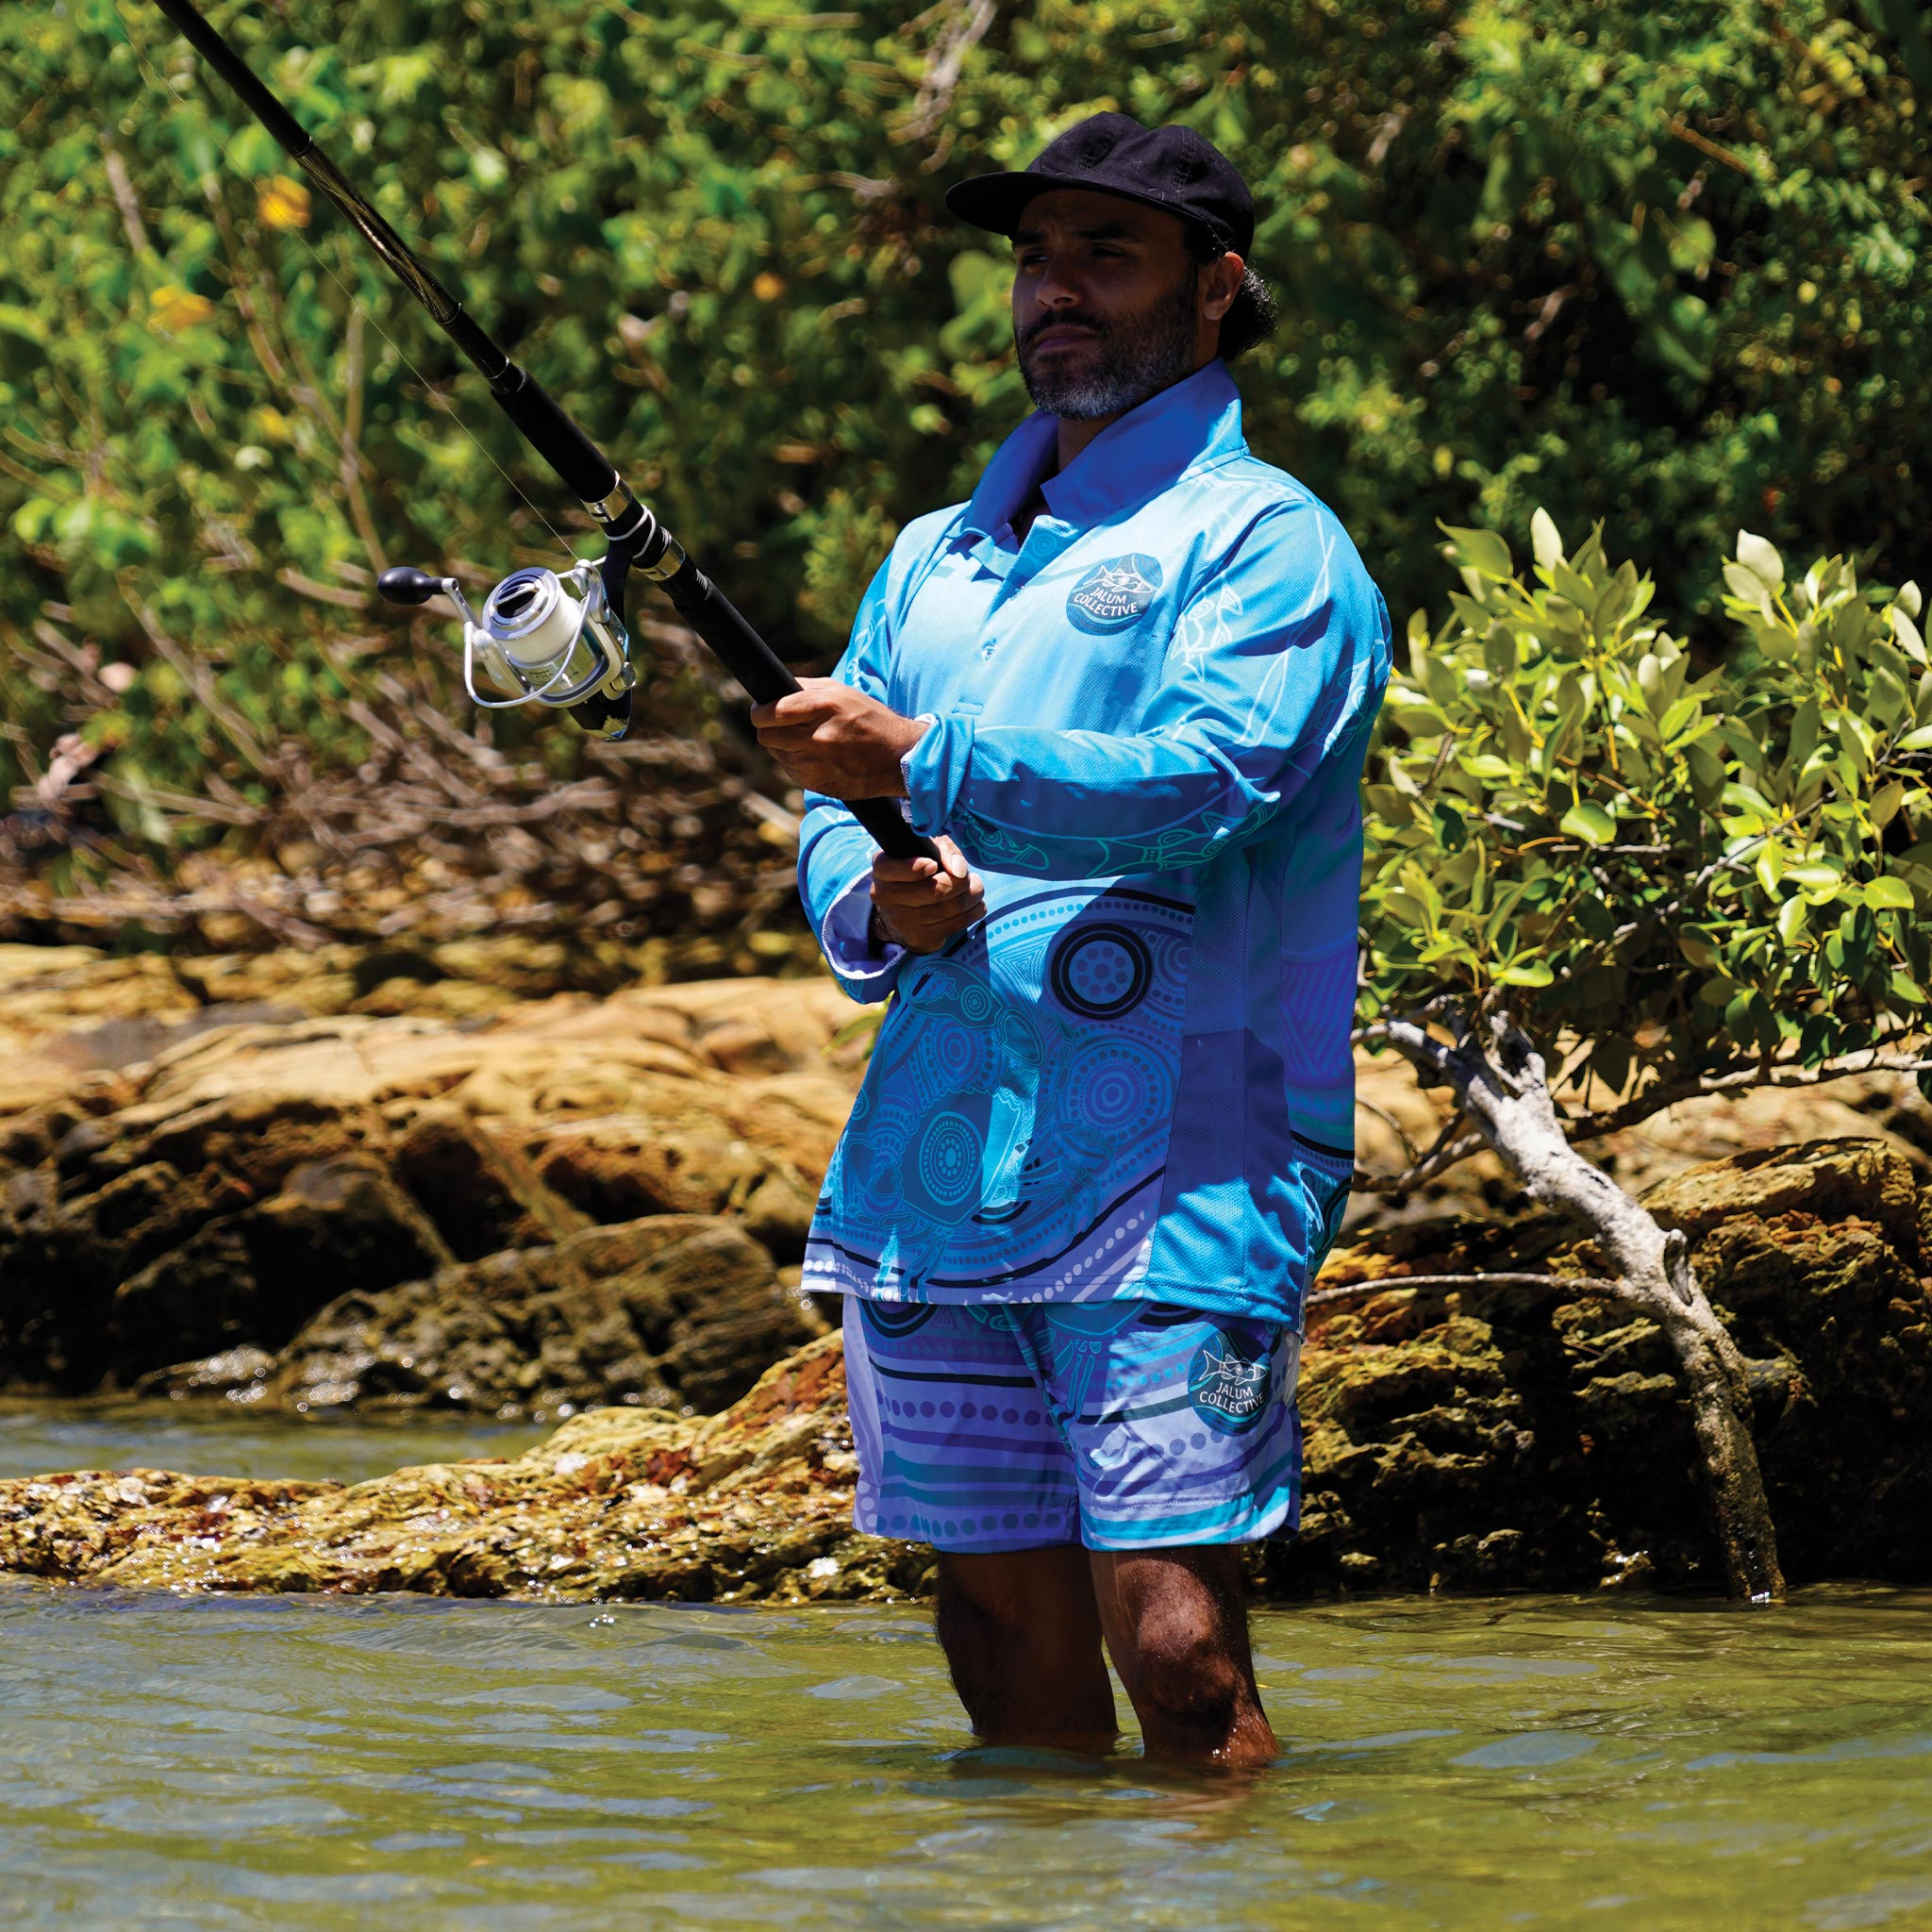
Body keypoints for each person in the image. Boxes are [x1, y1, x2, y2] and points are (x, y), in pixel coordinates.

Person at [753, 113, 1391, 1768]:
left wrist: (925, 763)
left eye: (1108, 254)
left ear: (1217, 285)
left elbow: (1212, 779)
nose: (1058, 291)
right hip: (938, 1160)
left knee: (1176, 1639)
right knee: (989, 1627)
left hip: (1192, 1156)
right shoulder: (928, 559)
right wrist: (877, 886)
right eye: (1039, 257)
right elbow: (839, 801)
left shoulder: (1268, 541)